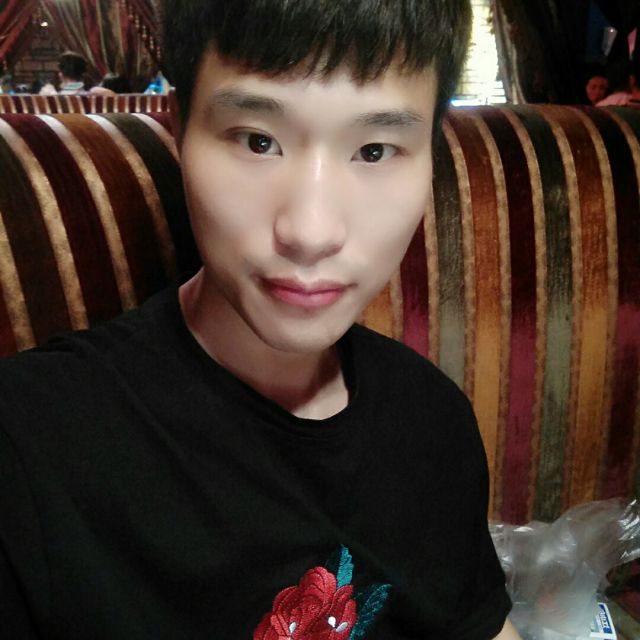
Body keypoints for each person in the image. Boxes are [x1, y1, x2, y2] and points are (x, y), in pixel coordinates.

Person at [0, 1, 520, 638]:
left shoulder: (434, 422)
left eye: (375, 150)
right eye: (257, 140)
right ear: (180, 128)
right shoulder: (31, 449)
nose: (310, 231)